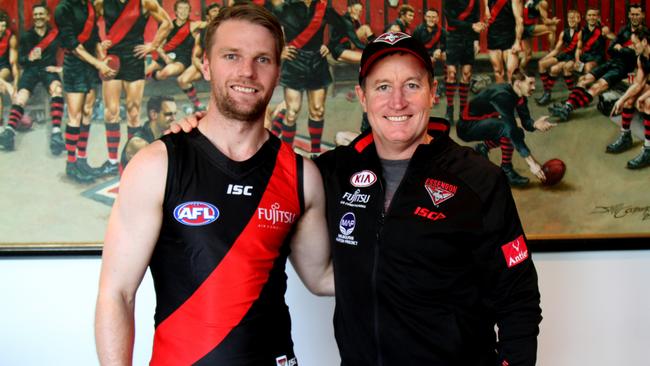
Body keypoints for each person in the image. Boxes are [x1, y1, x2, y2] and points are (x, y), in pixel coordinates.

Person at [95, 4, 332, 365]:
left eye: (262, 59)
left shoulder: (302, 175)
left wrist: (421, 261)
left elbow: (322, 278)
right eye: (231, 56)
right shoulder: (157, 165)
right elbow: (117, 294)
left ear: (278, 70)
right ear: (205, 64)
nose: (247, 71)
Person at [316, 32, 542, 365]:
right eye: (382, 87)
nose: (397, 102)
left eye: (411, 85)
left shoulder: (478, 178)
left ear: (432, 93)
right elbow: (266, 174)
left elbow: (517, 295)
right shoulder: (332, 172)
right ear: (362, 98)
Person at [93, 0, 172, 178]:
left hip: (135, 60)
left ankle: (132, 160)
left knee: (133, 112)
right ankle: (113, 161)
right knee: (111, 112)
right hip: (112, 60)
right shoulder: (101, 3)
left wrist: (153, 45)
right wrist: (99, 43)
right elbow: (89, 24)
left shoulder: (145, 2)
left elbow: (167, 23)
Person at [457, 69, 556, 186]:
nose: (534, 87)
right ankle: (506, 169)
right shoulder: (502, 95)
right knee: (508, 129)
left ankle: (483, 147)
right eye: (530, 83)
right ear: (518, 83)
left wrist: (535, 124)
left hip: (483, 123)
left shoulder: (520, 96)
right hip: (467, 127)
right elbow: (510, 128)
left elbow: (526, 123)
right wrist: (532, 163)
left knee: (517, 132)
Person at [55, 0, 117, 183]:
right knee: (75, 116)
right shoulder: (63, 8)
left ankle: (82, 159)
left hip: (90, 65)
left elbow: (95, 38)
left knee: (87, 112)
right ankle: (71, 163)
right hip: (74, 65)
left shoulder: (88, 6)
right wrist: (98, 63)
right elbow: (74, 46)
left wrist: (103, 58)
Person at [270, 0, 342, 155]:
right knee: (292, 112)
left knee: (318, 110)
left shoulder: (324, 8)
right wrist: (279, 49)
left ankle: (315, 152)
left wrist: (330, 45)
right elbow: (264, 28)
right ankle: (286, 154)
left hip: (317, 62)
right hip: (294, 62)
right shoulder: (284, 8)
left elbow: (342, 27)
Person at [550, 4, 643, 122]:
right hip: (612, 62)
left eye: (637, 14)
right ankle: (568, 105)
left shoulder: (644, 33)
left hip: (623, 68)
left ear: (642, 16)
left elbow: (635, 53)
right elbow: (611, 49)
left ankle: (568, 108)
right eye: (633, 14)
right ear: (629, 15)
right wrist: (626, 48)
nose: (634, 17)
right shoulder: (624, 30)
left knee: (597, 86)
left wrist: (621, 48)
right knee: (584, 79)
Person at [0, 4, 62, 153]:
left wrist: (60, 68)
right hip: (31, 70)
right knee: (21, 97)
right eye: (35, 15)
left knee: (57, 90)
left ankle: (56, 132)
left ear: (47, 17)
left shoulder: (56, 35)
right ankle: (9, 131)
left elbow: (70, 51)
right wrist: (29, 57)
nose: (38, 17)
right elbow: (20, 60)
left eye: (41, 14)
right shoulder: (27, 36)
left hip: (48, 69)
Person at [147, 0, 205, 111]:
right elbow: (158, 46)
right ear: (176, 11)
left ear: (189, 11)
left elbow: (210, 22)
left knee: (166, 72)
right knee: (142, 69)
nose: (183, 11)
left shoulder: (193, 25)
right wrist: (165, 57)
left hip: (182, 60)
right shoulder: (169, 26)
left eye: (186, 9)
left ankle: (196, 104)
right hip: (165, 57)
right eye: (180, 9)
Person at [608, 29, 650, 169]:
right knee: (629, 100)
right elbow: (638, 83)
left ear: (644, 42)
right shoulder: (641, 58)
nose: (632, 47)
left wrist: (643, 97)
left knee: (648, 103)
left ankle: (648, 149)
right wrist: (621, 100)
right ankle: (626, 137)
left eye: (635, 43)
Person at [443, 0, 486, 123]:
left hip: (469, 39)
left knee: (466, 75)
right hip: (453, 38)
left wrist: (476, 40)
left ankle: (463, 111)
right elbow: (451, 21)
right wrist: (471, 26)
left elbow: (476, 20)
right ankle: (449, 108)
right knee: (451, 74)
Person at [536, 9, 581, 106]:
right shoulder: (564, 32)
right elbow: (556, 50)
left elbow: (580, 50)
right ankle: (547, 93)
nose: (571, 20)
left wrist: (577, 61)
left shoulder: (582, 32)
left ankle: (573, 96)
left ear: (579, 19)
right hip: (565, 55)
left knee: (554, 69)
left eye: (574, 18)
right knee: (541, 64)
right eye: (570, 18)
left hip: (574, 57)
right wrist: (545, 58)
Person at [120, 95, 177, 169]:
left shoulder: (164, 135)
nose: (174, 118)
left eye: (175, 114)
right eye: (168, 114)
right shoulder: (138, 143)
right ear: (153, 114)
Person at [412, 8, 446, 104]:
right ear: (425, 17)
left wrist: (440, 50)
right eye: (429, 17)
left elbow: (449, 45)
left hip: (436, 57)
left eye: (434, 17)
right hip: (421, 56)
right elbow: (413, 48)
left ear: (438, 18)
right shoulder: (418, 30)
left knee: (446, 56)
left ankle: (441, 87)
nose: (431, 19)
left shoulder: (441, 31)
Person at [487, 0, 523, 83]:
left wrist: (517, 42)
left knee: (512, 73)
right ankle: (501, 95)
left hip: (510, 37)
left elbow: (519, 20)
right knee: (498, 72)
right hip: (493, 36)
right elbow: (487, 15)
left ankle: (513, 95)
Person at [520, 0, 559, 70]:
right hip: (527, 28)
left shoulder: (530, 1)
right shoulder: (542, 3)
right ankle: (551, 51)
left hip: (522, 29)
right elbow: (546, 22)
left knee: (528, 55)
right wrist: (553, 21)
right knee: (552, 28)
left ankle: (520, 71)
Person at [0, 10, 19, 151]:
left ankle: (0, 128)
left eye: (3, 26)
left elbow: (13, 63)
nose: (1, 29)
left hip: (3, 66)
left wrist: (16, 84)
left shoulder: (10, 37)